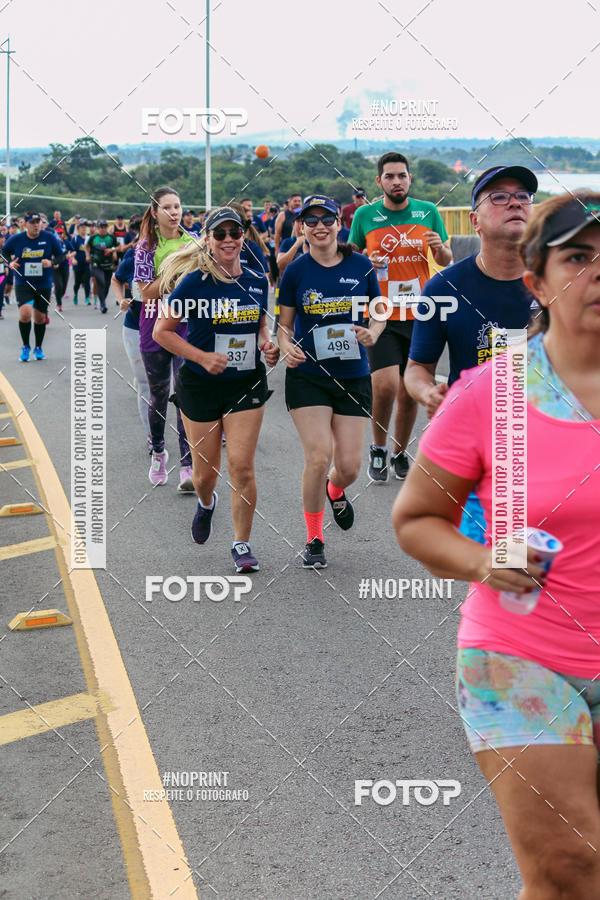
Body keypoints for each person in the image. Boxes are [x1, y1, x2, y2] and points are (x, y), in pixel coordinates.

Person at [393, 190, 600, 898]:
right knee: (569, 864)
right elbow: (417, 519)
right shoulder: (488, 395)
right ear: (535, 282)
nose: (598, 272)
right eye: (578, 257)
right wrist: (486, 562)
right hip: (522, 660)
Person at [405, 165, 538, 542]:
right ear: (474, 220)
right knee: (501, 570)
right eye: (499, 196)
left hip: (556, 448)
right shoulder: (443, 288)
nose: (514, 203)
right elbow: (416, 369)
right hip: (482, 451)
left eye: (522, 197)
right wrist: (428, 392)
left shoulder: (559, 281)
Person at [154, 207, 279, 572]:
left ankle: (242, 544)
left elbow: (259, 329)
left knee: (241, 467)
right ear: (207, 239)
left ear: (244, 237)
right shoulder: (193, 283)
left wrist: (267, 346)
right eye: (220, 234)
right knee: (204, 475)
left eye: (234, 233)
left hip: (245, 382)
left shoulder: (257, 282)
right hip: (200, 384)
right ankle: (207, 503)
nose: (228, 240)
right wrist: (202, 357)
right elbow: (163, 331)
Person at [277, 196, 386, 569]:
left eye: (327, 219)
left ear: (339, 224)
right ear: (302, 228)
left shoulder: (361, 266)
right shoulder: (296, 271)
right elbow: (284, 326)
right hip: (308, 375)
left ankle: (336, 489)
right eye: (311, 221)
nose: (319, 226)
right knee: (319, 456)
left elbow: (379, 310)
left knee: (350, 466)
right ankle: (314, 538)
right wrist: (284, 346)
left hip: (353, 375)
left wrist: (373, 331)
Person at [349, 151, 453, 483]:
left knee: (410, 391)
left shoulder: (429, 212)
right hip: (381, 313)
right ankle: (378, 448)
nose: (397, 181)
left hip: (420, 314)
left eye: (403, 176)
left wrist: (439, 248)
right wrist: (367, 257)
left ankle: (399, 451)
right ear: (379, 181)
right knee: (385, 385)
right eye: (390, 176)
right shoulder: (365, 215)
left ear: (410, 179)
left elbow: (447, 258)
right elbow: (352, 261)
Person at [134, 186, 194, 490]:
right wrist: (175, 269)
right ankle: (158, 451)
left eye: (178, 206)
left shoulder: (193, 242)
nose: (174, 212)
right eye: (168, 207)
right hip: (154, 326)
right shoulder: (146, 247)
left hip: (187, 326)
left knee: (184, 396)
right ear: (155, 212)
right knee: (159, 396)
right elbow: (145, 292)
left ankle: (187, 464)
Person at [110, 219, 151, 455]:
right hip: (135, 326)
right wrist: (120, 300)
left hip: (170, 329)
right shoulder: (133, 257)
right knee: (145, 384)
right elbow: (117, 279)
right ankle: (153, 436)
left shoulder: (176, 256)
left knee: (173, 384)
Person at [3, 212, 63, 360]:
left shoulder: (49, 238)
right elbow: (4, 252)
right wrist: (9, 263)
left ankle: (38, 347)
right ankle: (25, 346)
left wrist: (52, 263)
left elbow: (61, 256)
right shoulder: (16, 239)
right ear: (25, 224)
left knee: (40, 318)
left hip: (43, 283)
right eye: (33, 222)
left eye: (38, 222)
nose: (36, 225)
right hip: (23, 282)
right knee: (25, 314)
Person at [86, 219, 117, 313]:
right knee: (101, 282)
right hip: (97, 264)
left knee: (107, 285)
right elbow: (87, 246)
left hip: (108, 264)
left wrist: (114, 251)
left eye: (104, 227)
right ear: (98, 228)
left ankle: (102, 300)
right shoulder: (93, 238)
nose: (103, 229)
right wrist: (87, 255)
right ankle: (103, 304)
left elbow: (117, 246)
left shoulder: (111, 237)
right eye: (101, 227)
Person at [70, 220, 91, 305]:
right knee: (77, 283)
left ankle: (87, 298)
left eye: (85, 227)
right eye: (82, 227)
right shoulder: (75, 238)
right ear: (78, 229)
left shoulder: (88, 238)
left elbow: (91, 249)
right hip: (77, 264)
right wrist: (73, 259)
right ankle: (75, 295)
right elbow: (71, 250)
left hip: (86, 264)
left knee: (87, 282)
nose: (84, 229)